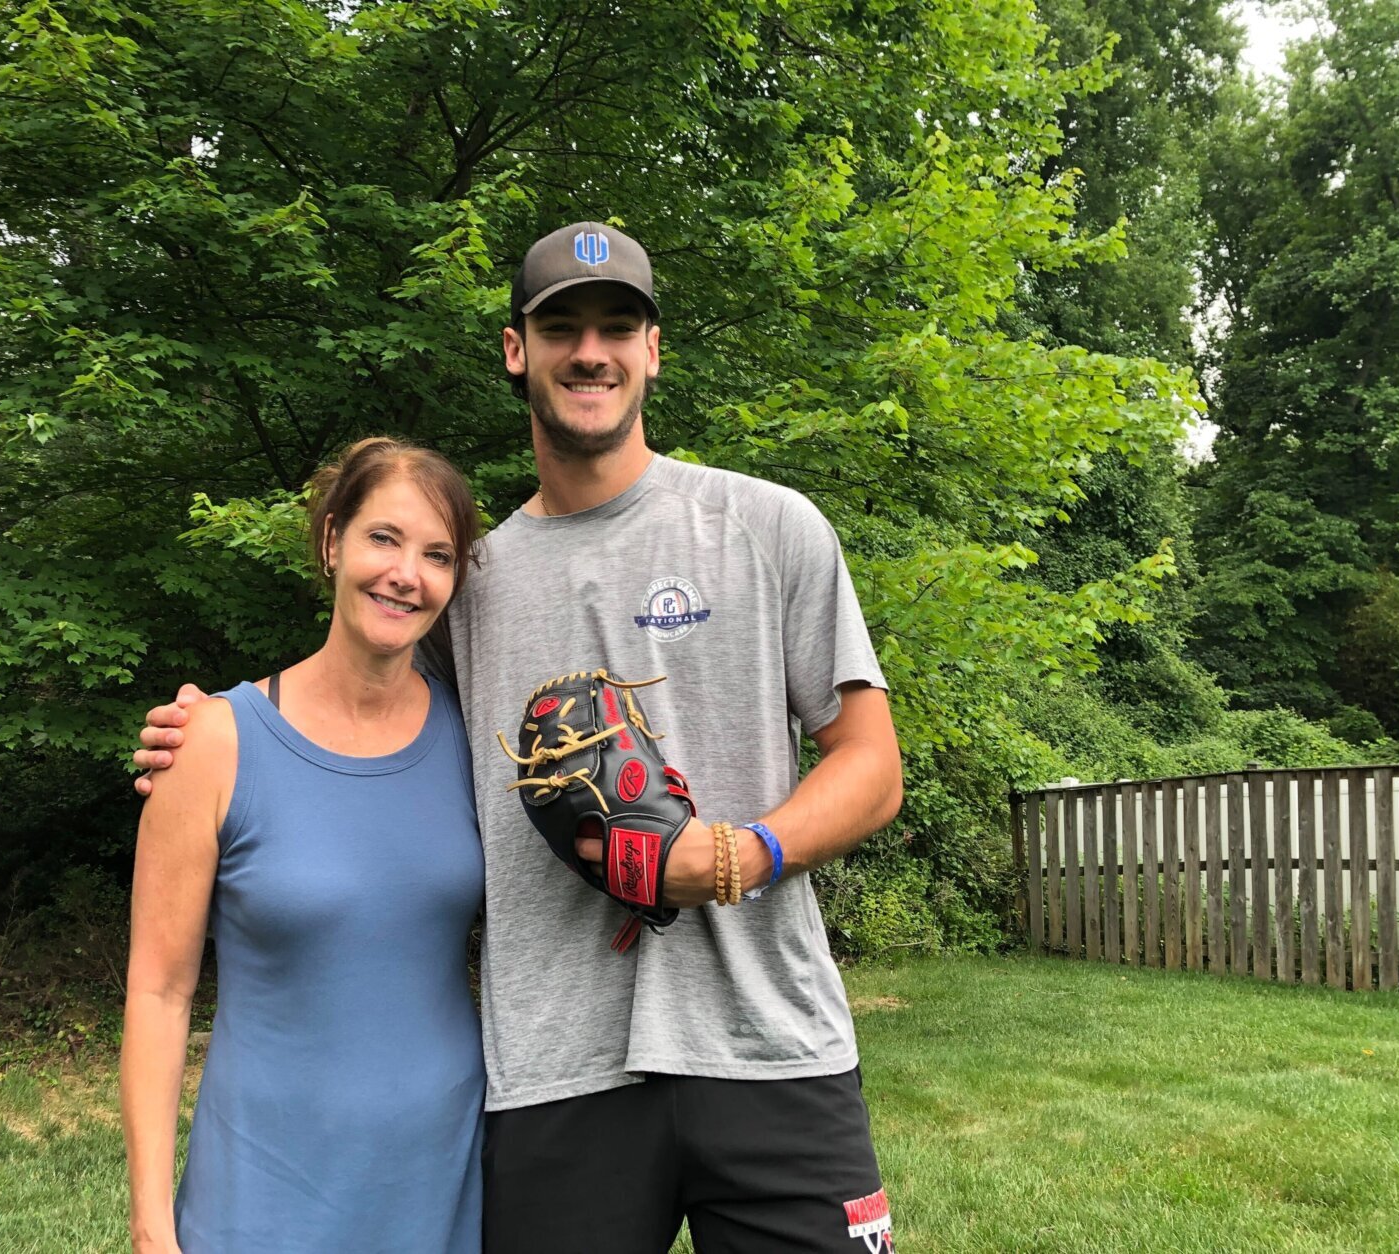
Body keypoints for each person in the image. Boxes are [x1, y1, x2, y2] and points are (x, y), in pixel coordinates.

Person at [135, 223, 905, 1254]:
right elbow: (364, 720)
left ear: (652, 349)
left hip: (770, 1045)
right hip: (555, 1070)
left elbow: (871, 763)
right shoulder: (469, 589)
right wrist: (215, 733)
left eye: (616, 326)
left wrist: (733, 855)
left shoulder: (769, 528)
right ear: (517, 350)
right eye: (562, 328)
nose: (590, 350)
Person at [120, 437, 486, 1254]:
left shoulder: (474, 740)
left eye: (436, 554)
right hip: (266, 1187)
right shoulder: (214, 741)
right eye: (383, 539)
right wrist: (152, 1228)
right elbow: (158, 991)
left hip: (446, 1183)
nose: (406, 574)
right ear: (332, 543)